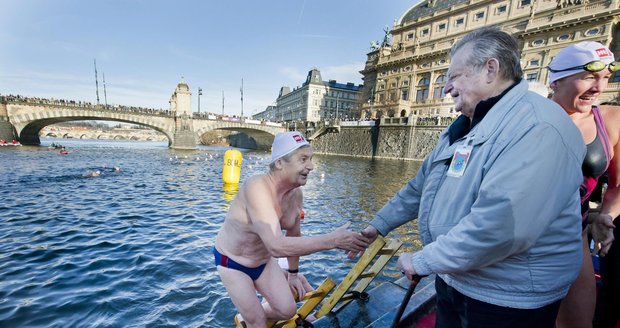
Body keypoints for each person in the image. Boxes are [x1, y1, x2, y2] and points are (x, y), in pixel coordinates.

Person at [353, 26, 586, 327]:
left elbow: (501, 228)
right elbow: (419, 188)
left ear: (490, 69)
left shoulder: (539, 126)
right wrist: (379, 226)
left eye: (453, 77)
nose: (445, 88)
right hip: (457, 279)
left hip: (508, 297)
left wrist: (422, 260)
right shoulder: (464, 127)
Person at [214, 131, 371, 328]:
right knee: (259, 323)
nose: (311, 166)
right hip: (233, 263)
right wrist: (332, 240)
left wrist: (293, 273)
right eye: (303, 159)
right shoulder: (256, 187)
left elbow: (294, 234)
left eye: (311, 159)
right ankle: (253, 319)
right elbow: (276, 245)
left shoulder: (296, 195)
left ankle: (247, 316)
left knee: (287, 310)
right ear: (280, 162)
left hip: (263, 262)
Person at [547, 41, 620, 328]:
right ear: (556, 79)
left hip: (572, 239)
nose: (600, 88)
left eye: (607, 76)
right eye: (589, 76)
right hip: (519, 240)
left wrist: (605, 215)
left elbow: (616, 187)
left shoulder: (612, 119)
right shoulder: (526, 116)